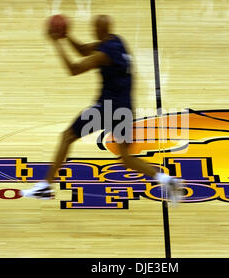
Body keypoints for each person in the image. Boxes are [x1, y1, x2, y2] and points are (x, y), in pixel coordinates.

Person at [21, 15, 183, 203]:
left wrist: (57, 43)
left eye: (93, 27)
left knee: (67, 137)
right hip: (125, 109)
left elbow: (74, 69)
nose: (92, 29)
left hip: (107, 108)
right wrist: (67, 36)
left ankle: (45, 186)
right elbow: (83, 50)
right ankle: (167, 180)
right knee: (126, 158)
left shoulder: (104, 54)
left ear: (98, 30)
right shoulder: (116, 41)